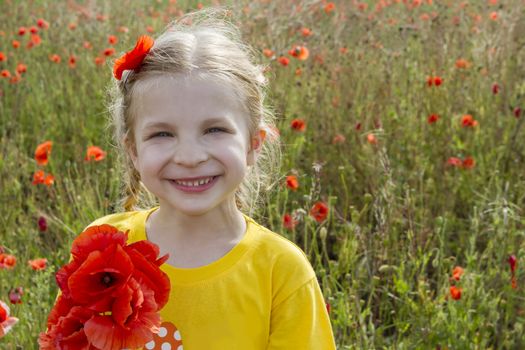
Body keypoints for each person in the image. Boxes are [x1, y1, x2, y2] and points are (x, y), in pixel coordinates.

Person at [53, 8, 336, 349]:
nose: (189, 157)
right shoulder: (105, 251)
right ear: (133, 151)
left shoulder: (281, 271)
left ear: (252, 144)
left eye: (214, 129)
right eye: (162, 134)